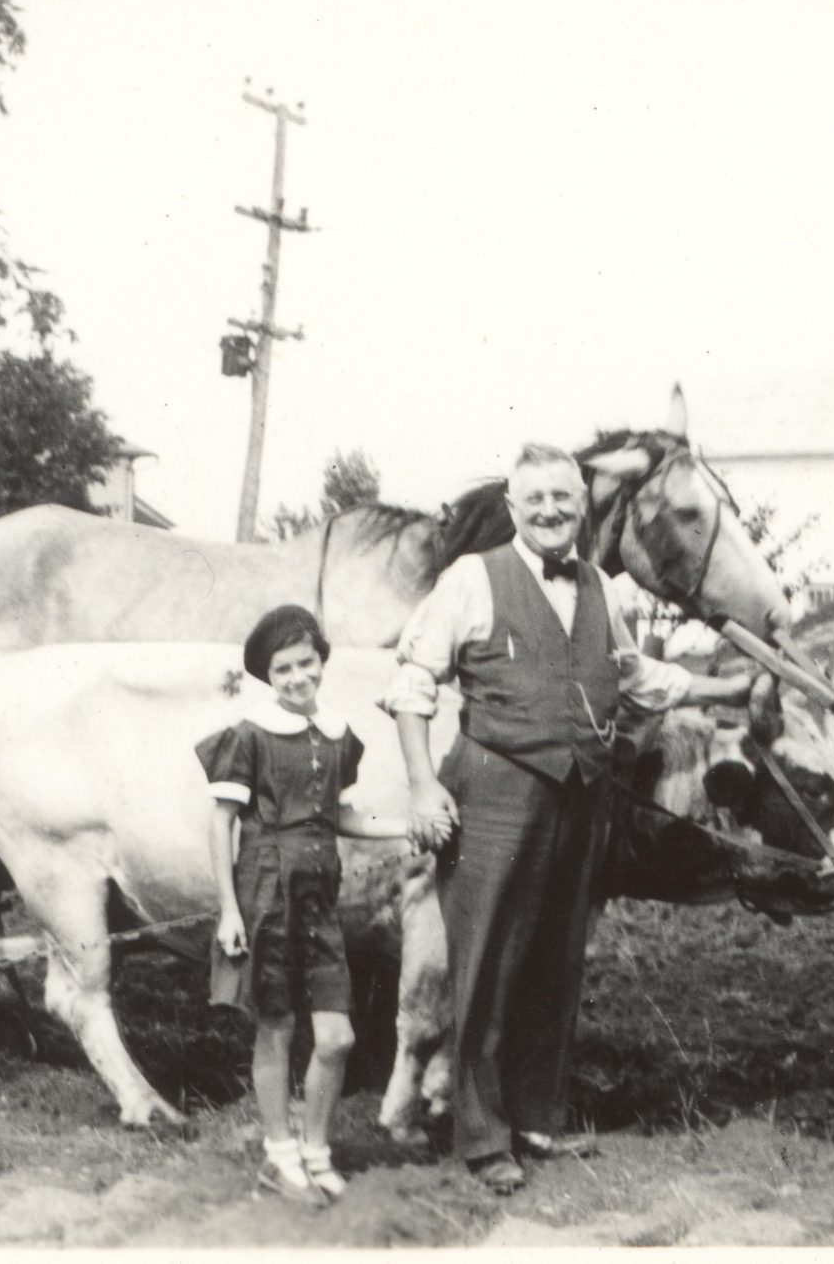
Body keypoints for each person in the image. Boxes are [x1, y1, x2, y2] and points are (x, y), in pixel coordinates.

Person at [386, 443, 753, 1193]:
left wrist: (723, 687)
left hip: (581, 792)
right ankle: (482, 1137)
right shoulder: (472, 578)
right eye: (536, 499)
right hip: (494, 789)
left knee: (555, 962)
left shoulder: (603, 589)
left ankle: (535, 1118)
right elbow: (413, 679)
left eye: (564, 496)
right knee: (485, 963)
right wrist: (424, 785)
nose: (552, 509)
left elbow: (636, 677)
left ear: (581, 506)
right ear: (514, 509)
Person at [202, 604, 409, 1209]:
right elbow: (220, 825)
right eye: (283, 668)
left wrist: (404, 827)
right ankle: (280, 1155)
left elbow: (341, 815)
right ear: (269, 674)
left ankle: (316, 1152)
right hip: (266, 892)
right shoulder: (249, 735)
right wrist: (229, 910)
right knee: (277, 1027)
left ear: (323, 661)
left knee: (337, 1036)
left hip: (319, 898)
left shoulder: (339, 735)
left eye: (306, 663)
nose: (297, 677)